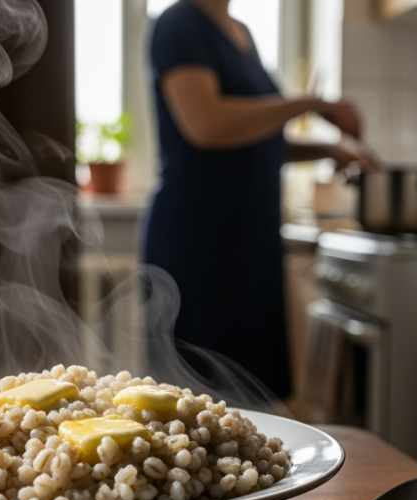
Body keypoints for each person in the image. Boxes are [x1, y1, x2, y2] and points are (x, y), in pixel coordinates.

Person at [144, 0, 371, 399]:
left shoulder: (240, 32)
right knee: (194, 401)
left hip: (248, 241)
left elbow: (256, 140)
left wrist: (329, 149)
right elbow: (207, 125)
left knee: (248, 399)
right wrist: (308, 103)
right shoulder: (180, 22)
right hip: (199, 242)